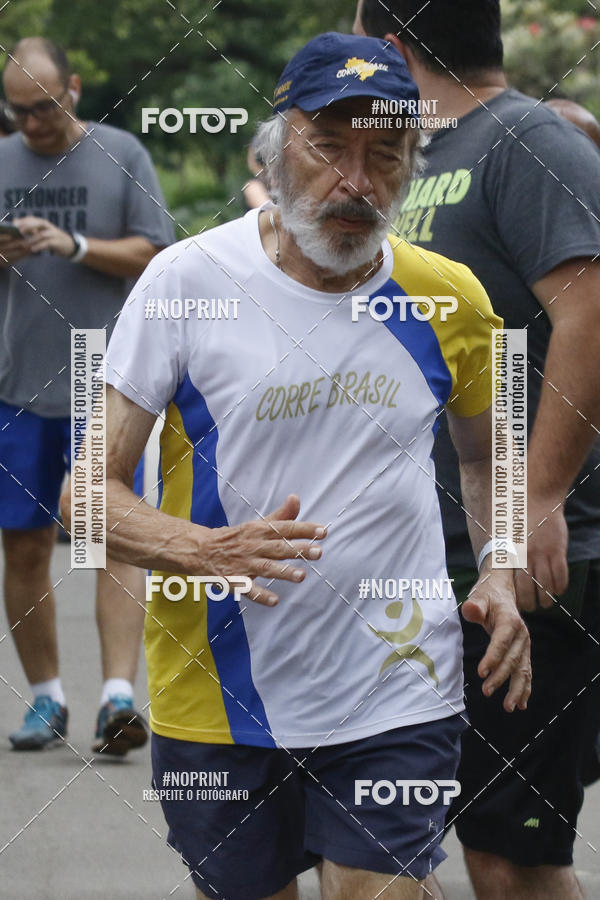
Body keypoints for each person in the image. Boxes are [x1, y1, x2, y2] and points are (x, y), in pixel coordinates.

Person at [65, 32, 531, 900]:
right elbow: (85, 497)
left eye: (385, 155)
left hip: (398, 684)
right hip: (216, 698)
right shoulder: (182, 283)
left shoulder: (452, 295)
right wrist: (205, 550)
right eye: (328, 147)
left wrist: (502, 566)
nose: (356, 182)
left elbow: (492, 451)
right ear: (275, 155)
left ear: (411, 169)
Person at [356, 2, 600, 898]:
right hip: (415, 558)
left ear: (389, 47)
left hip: (517, 558)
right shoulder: (418, 156)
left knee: (512, 856)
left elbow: (591, 314)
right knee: (406, 838)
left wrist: (537, 498)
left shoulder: (527, 141)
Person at [0, 38, 174, 754]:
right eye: (18, 111)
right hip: (15, 384)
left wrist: (71, 245)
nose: (33, 123)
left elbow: (158, 252)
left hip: (101, 377)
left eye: (44, 107)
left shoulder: (121, 153)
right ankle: (46, 698)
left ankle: (117, 699)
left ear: (72, 88)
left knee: (109, 533)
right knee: (23, 547)